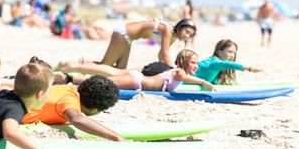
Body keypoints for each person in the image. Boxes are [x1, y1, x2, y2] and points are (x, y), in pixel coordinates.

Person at [57, 49, 215, 92]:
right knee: (101, 83)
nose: (197, 66)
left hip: (136, 79)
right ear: (183, 62)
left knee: (103, 80)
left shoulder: (178, 73)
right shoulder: (179, 72)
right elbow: (184, 78)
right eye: (194, 62)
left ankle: (67, 77)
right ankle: (66, 78)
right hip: (136, 81)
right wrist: (204, 82)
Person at [93, 18, 197, 69]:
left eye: (190, 35)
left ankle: (83, 65)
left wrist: (164, 69)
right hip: (124, 33)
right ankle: (81, 64)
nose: (187, 36)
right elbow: (165, 55)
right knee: (105, 65)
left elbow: (161, 55)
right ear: (180, 26)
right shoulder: (168, 30)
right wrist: (173, 71)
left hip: (129, 39)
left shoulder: (172, 37)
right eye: (187, 31)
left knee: (119, 69)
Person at [195, 39, 263, 85]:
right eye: (230, 52)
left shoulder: (217, 66)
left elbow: (213, 81)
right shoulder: (214, 63)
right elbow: (227, 64)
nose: (232, 55)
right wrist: (249, 69)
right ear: (219, 52)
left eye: (234, 53)